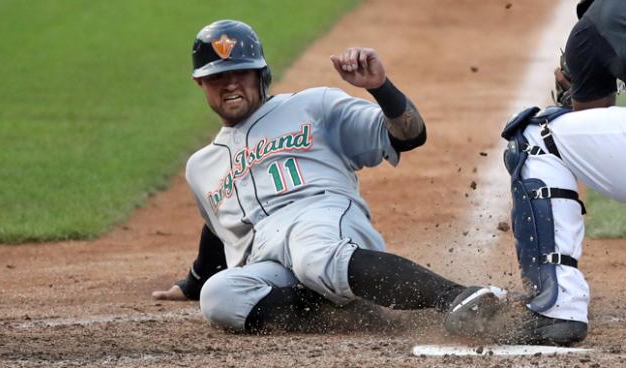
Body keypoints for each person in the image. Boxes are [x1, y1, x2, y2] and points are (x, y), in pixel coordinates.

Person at [151, 19, 503, 333]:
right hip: (267, 256)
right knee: (219, 296)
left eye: (239, 73)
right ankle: (349, 316)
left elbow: (408, 135)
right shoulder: (201, 166)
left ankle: (456, 296)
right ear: (200, 83)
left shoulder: (312, 106)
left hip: (320, 218)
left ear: (261, 73)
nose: (229, 85)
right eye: (217, 77)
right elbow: (219, 227)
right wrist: (195, 281)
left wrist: (381, 88)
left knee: (313, 257)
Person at [445, 0, 626, 346]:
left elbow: (584, 126)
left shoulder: (597, 21)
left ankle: (558, 306)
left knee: (538, 137)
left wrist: (571, 92)